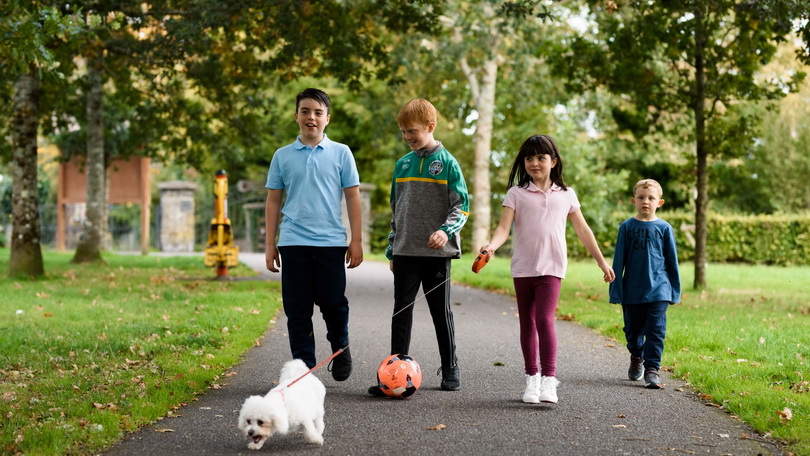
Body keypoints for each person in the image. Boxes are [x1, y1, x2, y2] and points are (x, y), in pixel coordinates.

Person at [478, 134, 615, 405]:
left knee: (544, 319)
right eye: (529, 158)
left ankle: (549, 380)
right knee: (527, 322)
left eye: (541, 157)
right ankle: (532, 378)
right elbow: (504, 228)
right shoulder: (516, 193)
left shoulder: (566, 194)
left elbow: (583, 230)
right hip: (523, 267)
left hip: (552, 267)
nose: (534, 163)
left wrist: (601, 261)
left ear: (553, 161)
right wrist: (491, 246)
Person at [368, 98, 470, 396]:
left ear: (430, 126)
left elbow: (462, 206)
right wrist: (392, 250)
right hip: (405, 253)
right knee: (402, 312)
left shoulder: (448, 163)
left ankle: (450, 367)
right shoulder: (402, 164)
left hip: (437, 254)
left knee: (441, 312)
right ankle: (393, 375)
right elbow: (396, 210)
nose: (407, 137)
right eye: (403, 132)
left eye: (412, 131)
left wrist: (445, 231)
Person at [264, 88, 363, 381]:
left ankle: (340, 348)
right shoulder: (282, 156)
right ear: (296, 116)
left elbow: (353, 197)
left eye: (318, 112)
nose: (311, 117)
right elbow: (273, 200)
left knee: (333, 303)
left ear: (327, 118)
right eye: (305, 111)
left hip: (331, 243)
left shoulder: (341, 153)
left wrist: (355, 240)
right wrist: (270, 245)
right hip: (293, 243)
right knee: (297, 310)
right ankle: (303, 369)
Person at [609, 179, 680, 389]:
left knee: (656, 330)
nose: (645, 201)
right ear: (633, 201)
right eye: (641, 197)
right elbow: (618, 260)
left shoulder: (665, 228)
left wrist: (674, 292)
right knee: (632, 331)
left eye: (651, 198)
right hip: (632, 290)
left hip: (660, 289)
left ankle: (652, 370)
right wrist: (616, 291)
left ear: (660, 202)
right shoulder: (627, 227)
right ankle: (636, 355)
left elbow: (672, 262)